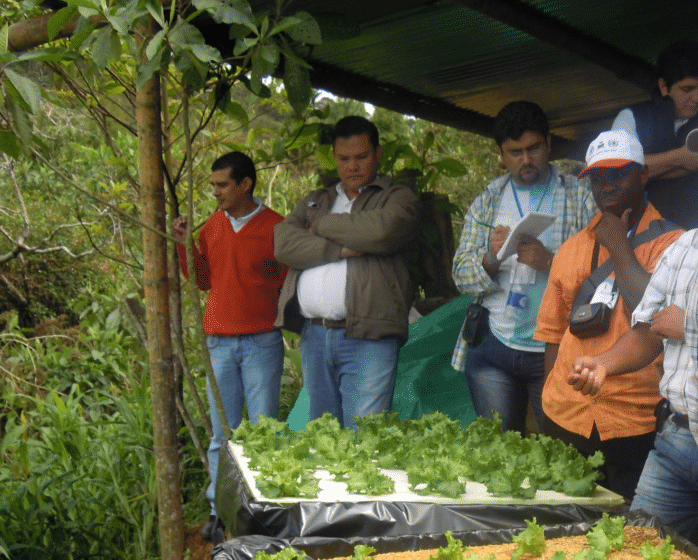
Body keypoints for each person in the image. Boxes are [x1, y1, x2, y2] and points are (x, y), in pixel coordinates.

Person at [537, 130, 683, 501]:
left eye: (619, 174)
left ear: (644, 176)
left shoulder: (674, 244)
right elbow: (553, 336)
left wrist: (618, 243)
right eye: (598, 178)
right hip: (566, 415)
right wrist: (547, 403)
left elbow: (653, 320)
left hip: (636, 420)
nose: (607, 186)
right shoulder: (570, 249)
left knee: (630, 538)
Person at [451, 100, 597, 435]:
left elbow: (602, 269)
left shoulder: (579, 195)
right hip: (493, 343)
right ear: (500, 154)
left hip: (556, 345)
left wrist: (550, 261)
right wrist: (491, 257)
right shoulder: (487, 201)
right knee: (500, 451)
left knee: (560, 448)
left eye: (533, 148)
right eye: (515, 152)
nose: (526, 160)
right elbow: (460, 274)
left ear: (548, 144)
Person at [274, 114, 420, 430]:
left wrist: (321, 226)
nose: (352, 166)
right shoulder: (316, 200)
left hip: (369, 335)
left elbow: (381, 231)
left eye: (361, 157)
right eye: (344, 158)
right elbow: (283, 243)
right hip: (314, 334)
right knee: (324, 438)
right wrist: (339, 249)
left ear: (378, 154)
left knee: (364, 438)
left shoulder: (397, 197)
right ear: (335, 158)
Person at [173, 152, 286, 538]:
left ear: (245, 184)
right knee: (222, 434)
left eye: (223, 185)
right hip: (219, 342)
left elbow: (285, 281)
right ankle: (219, 510)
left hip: (261, 341)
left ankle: (263, 505)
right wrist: (184, 246)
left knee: (263, 429)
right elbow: (203, 281)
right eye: (214, 185)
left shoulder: (275, 227)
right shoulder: (211, 228)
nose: (216, 192)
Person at [568, 229, 698, 544]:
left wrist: (689, 325)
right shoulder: (686, 246)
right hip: (676, 442)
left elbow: (676, 325)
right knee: (638, 559)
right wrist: (604, 363)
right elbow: (648, 331)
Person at [612, 40, 698, 230]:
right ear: (663, 86)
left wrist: (645, 169)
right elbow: (616, 175)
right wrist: (684, 158)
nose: (697, 98)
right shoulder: (631, 118)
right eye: (687, 89)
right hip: (644, 239)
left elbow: (631, 172)